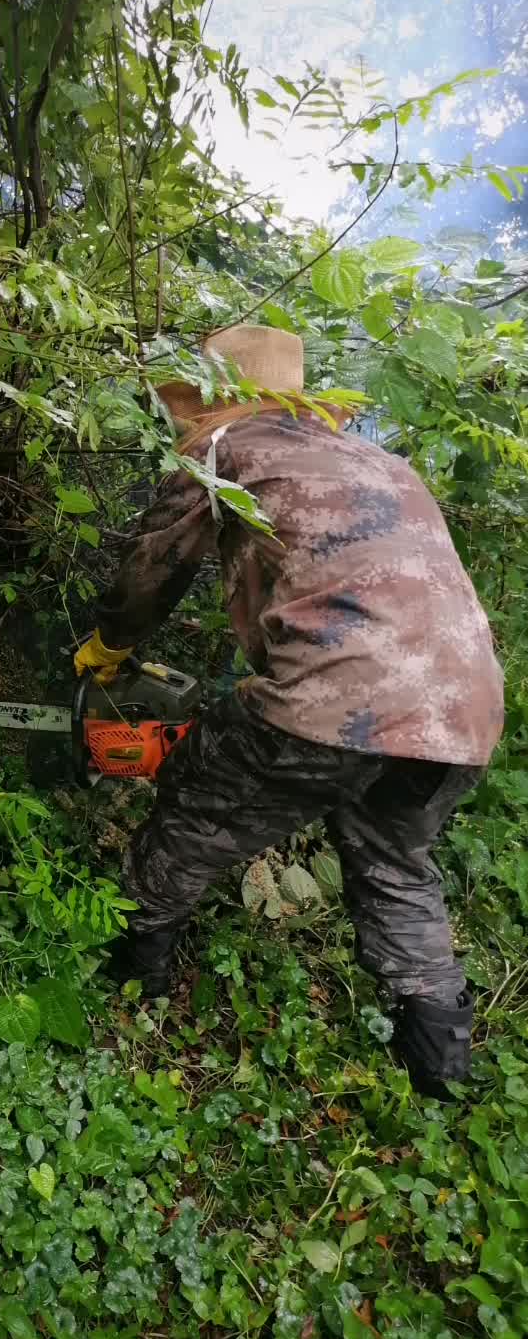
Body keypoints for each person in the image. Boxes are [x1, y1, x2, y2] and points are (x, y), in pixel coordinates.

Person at [75, 326, 505, 1096]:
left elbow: (153, 568)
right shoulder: (382, 460)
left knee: (193, 812)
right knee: (396, 865)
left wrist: (110, 645)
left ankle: (133, 974)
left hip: (336, 695)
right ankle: (445, 1073)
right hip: (463, 711)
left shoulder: (225, 449)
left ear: (213, 399)